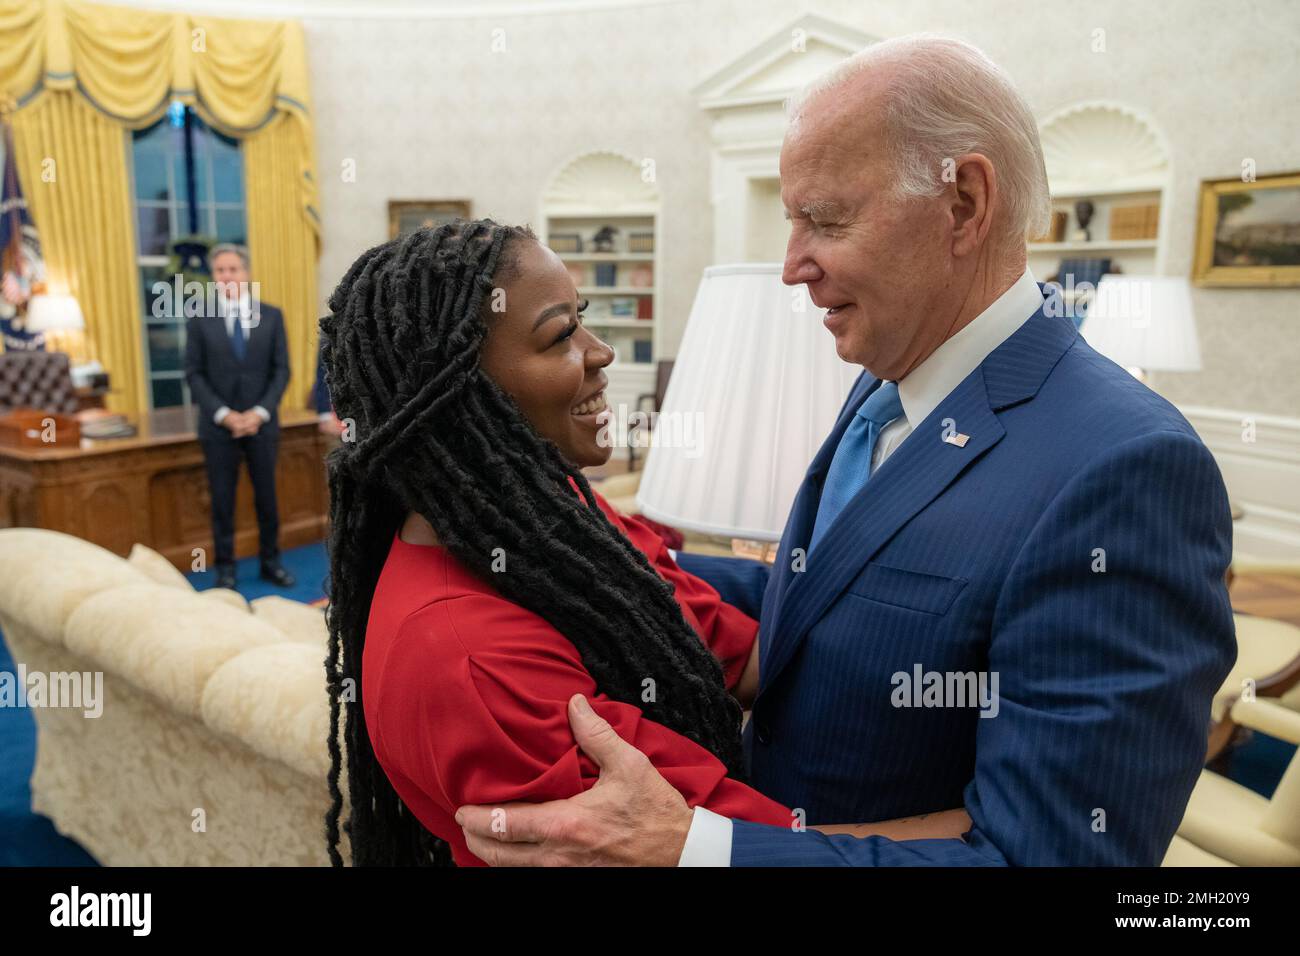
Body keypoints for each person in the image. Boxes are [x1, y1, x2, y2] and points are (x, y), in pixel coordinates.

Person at [454, 34, 1237, 866]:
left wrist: (699, 851)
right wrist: (586, 550)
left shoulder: (1129, 469)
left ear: (964, 203)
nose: (793, 268)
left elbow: (1047, 855)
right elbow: (828, 597)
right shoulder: (888, 376)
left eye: (824, 221)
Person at [319, 219, 970, 867]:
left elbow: (741, 658)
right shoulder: (470, 661)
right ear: (464, 406)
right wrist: (996, 833)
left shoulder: (558, 520)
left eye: (584, 318)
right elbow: (751, 851)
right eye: (559, 338)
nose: (600, 352)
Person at [184, 243, 295, 590]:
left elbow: (282, 371)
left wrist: (259, 413)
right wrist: (224, 414)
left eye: (233, 269)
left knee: (266, 499)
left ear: (246, 274)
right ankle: (226, 569)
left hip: (262, 426)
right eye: (220, 271)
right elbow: (194, 374)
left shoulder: (272, 315)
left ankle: (270, 562)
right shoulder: (200, 319)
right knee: (222, 501)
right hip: (219, 429)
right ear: (214, 277)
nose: (227, 276)